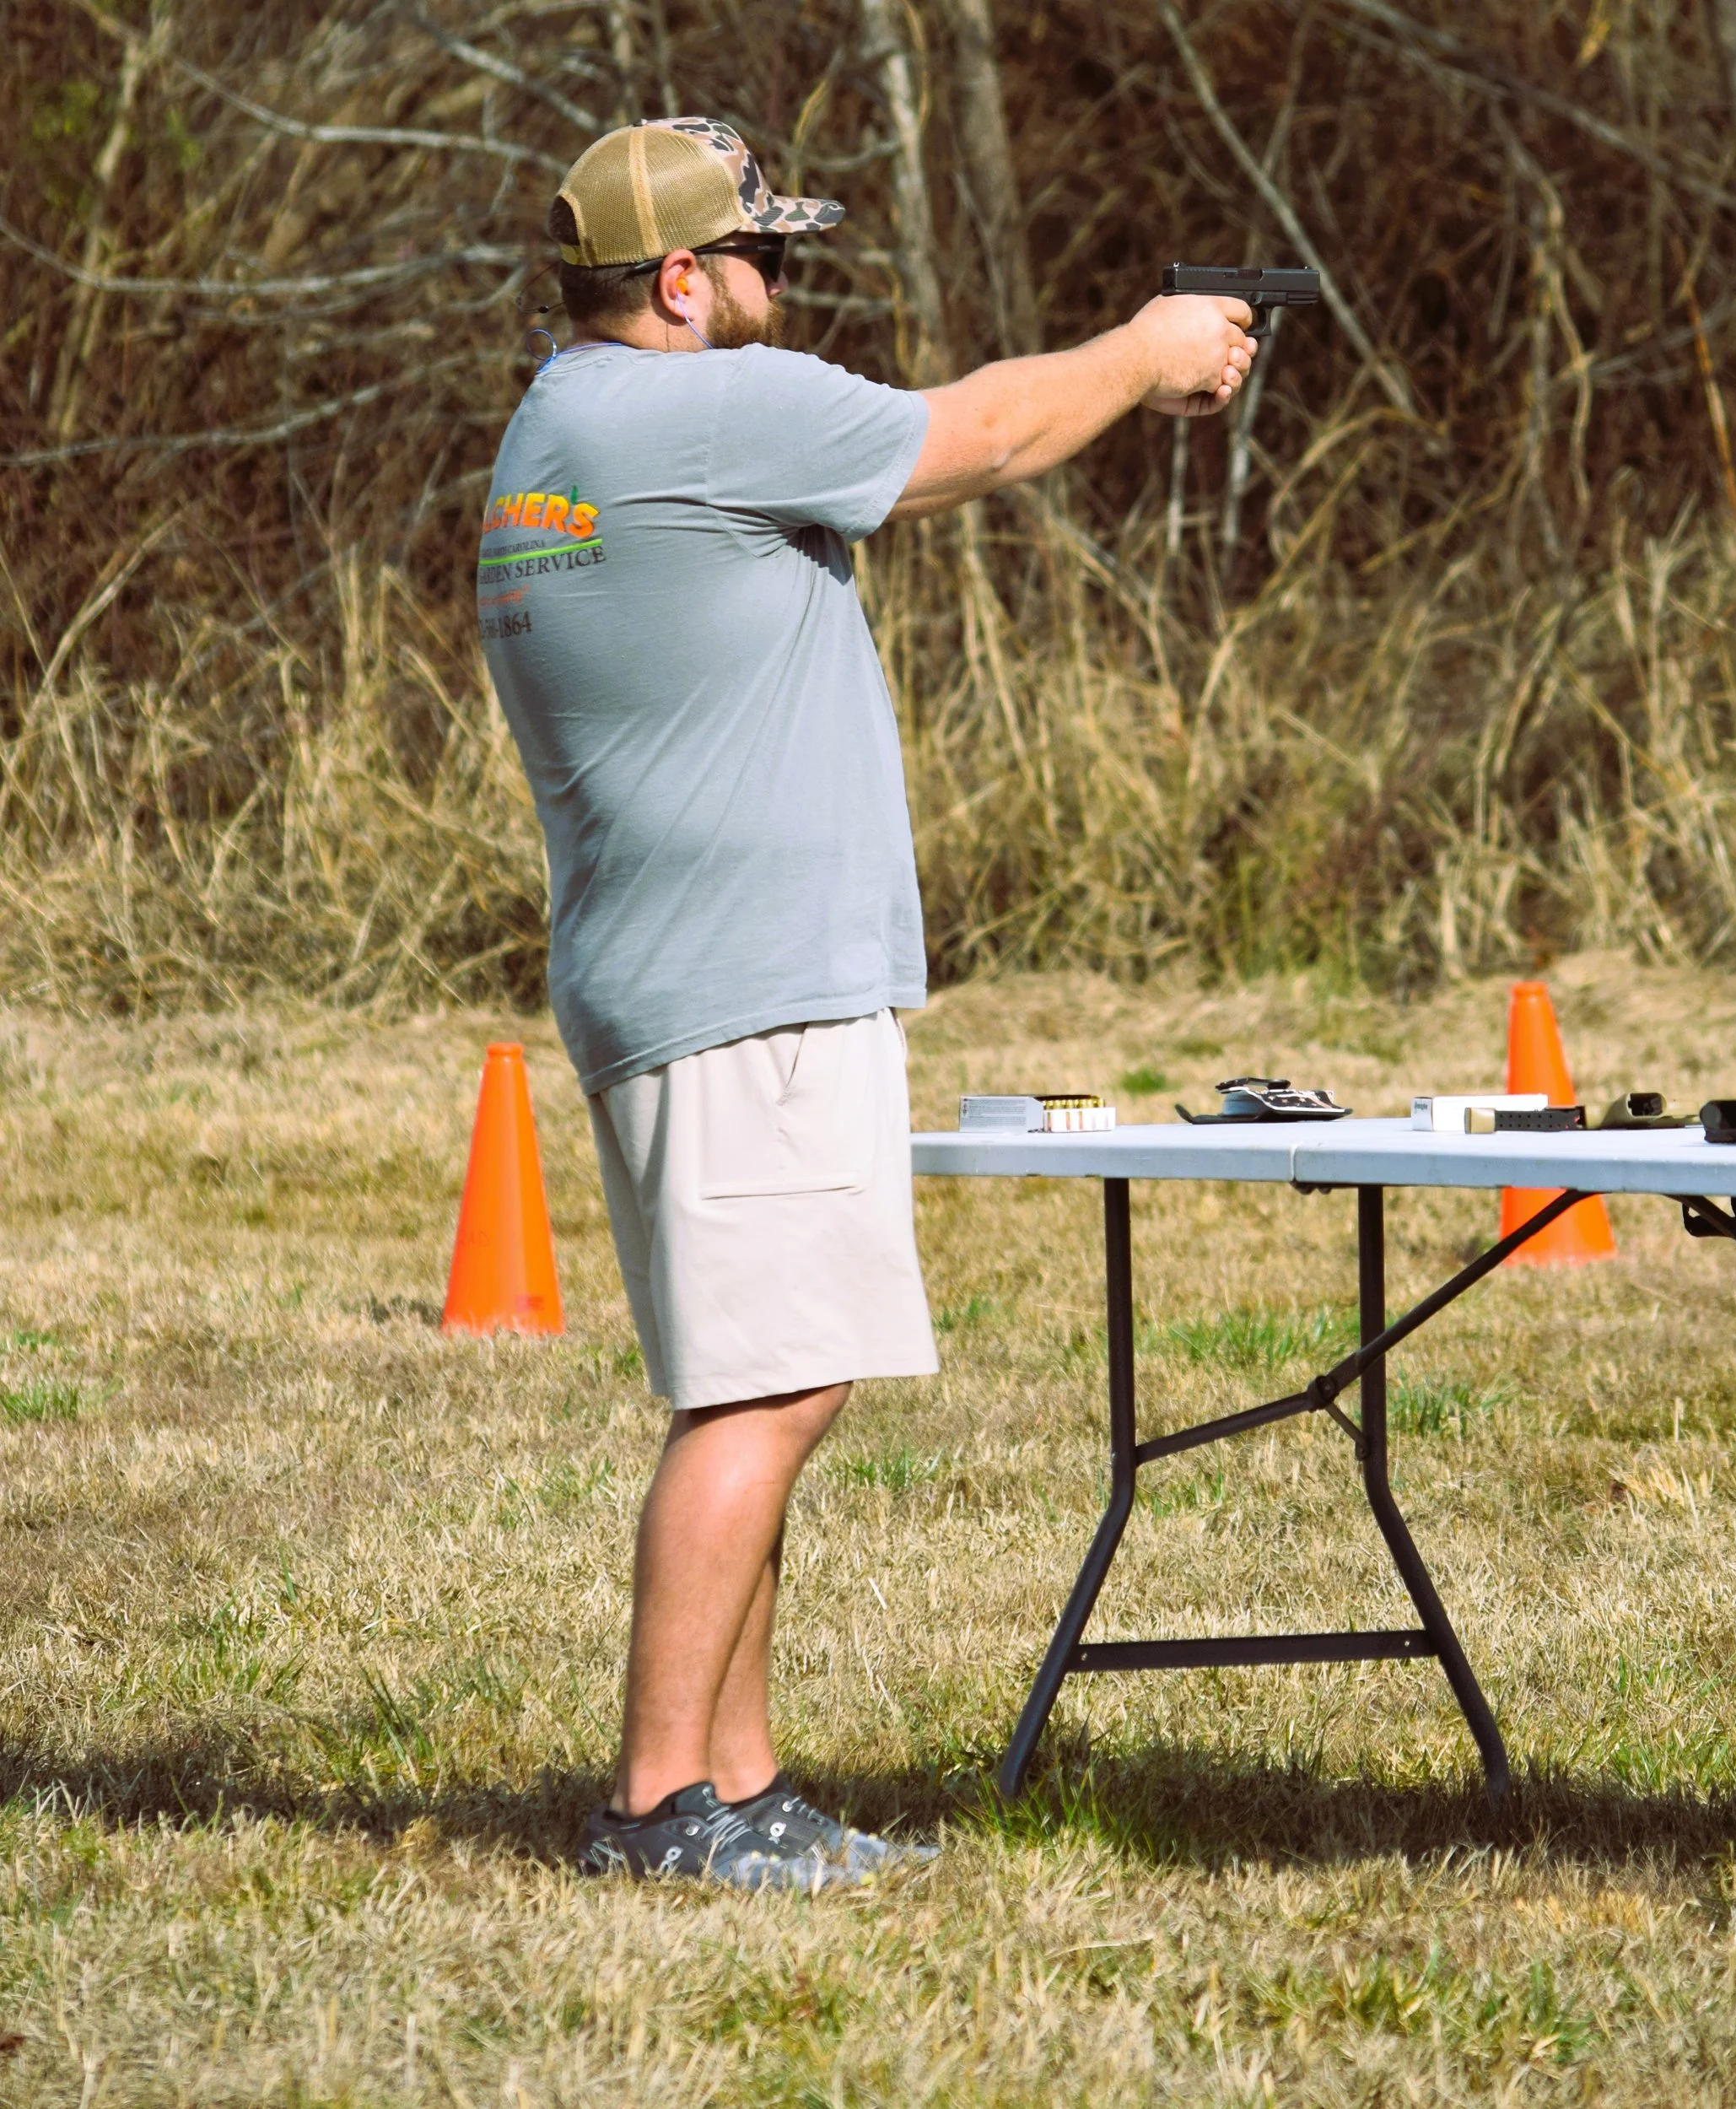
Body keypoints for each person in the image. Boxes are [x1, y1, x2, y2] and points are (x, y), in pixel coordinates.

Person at [478, 116, 1253, 1891]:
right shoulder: (690, 411)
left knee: (763, 1382)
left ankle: (740, 1783)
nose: (784, 283)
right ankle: (659, 1806)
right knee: (763, 1400)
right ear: (681, 281)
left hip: (677, 969)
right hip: (747, 987)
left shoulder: (557, 431)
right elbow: (977, 434)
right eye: (761, 256)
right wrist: (1150, 351)